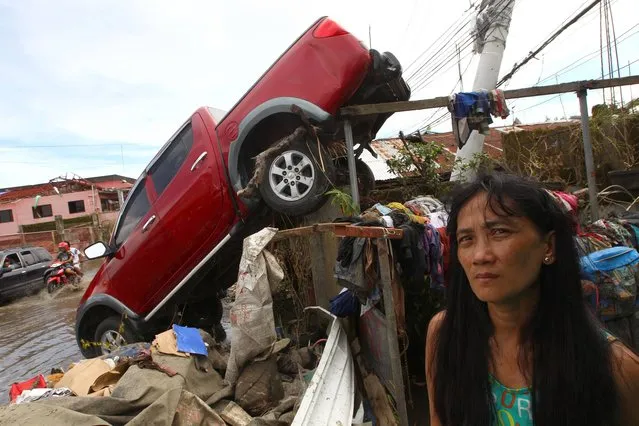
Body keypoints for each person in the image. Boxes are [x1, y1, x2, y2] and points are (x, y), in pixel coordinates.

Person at [425, 173, 639, 425]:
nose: (480, 255)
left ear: (548, 246)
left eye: (499, 232)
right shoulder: (446, 335)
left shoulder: (618, 369)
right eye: (466, 239)